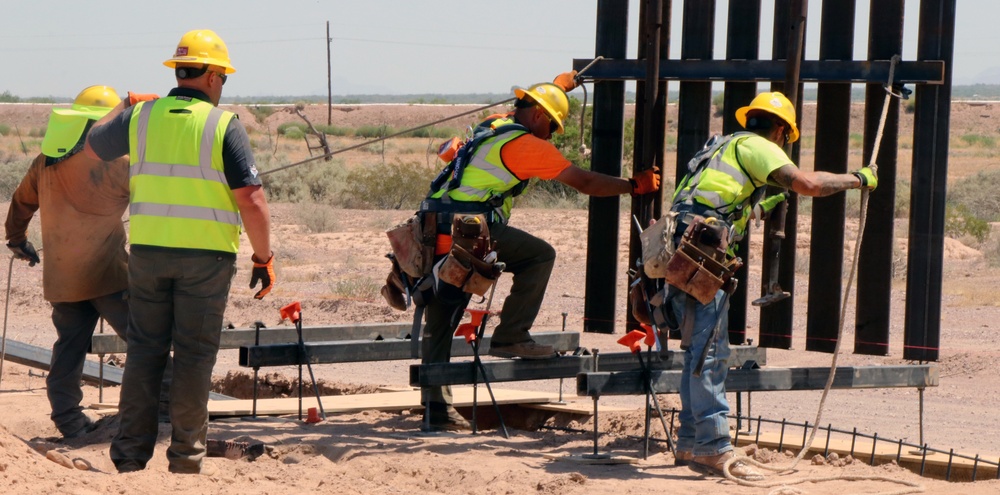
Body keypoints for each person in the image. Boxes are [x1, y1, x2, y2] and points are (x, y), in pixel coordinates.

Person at [415, 77, 661, 431]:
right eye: (553, 127)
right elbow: (585, 183)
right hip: (469, 229)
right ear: (540, 118)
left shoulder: (494, 125)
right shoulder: (528, 145)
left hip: (434, 227)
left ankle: (435, 409)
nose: (553, 136)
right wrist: (632, 186)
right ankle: (512, 334)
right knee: (539, 256)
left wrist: (560, 86)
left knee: (444, 311)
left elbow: (523, 106)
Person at [84, 29, 275, 474]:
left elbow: (93, 142)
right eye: (222, 77)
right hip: (205, 261)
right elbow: (251, 198)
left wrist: (128, 103)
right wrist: (263, 258)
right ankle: (186, 458)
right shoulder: (222, 124)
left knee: (145, 351)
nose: (223, 85)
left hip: (149, 255)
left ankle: (129, 456)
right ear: (210, 77)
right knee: (193, 356)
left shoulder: (142, 118)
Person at [661, 91, 877, 480]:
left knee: (697, 347)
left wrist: (760, 205)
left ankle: (691, 442)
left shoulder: (722, 145)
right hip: (703, 250)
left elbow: (717, 203)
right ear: (781, 130)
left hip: (678, 245)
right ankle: (712, 448)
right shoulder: (760, 146)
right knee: (710, 350)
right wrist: (857, 179)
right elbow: (809, 183)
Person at [4, 85, 138, 440]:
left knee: (69, 347)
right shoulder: (120, 165)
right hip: (110, 275)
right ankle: (162, 409)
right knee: (145, 341)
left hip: (64, 278)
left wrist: (17, 241)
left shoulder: (45, 162)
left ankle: (69, 421)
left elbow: (20, 204)